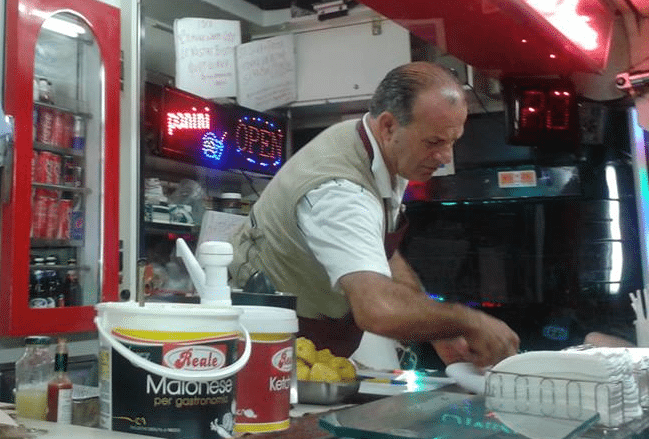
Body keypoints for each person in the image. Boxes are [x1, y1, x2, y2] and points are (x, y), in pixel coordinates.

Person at [229, 61, 520, 367]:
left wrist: (439, 331)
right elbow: (376, 310)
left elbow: (379, 250)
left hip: (315, 345)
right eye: (434, 142)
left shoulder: (386, 151)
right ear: (389, 126)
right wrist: (467, 321)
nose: (446, 156)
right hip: (264, 347)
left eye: (452, 141)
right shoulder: (339, 192)